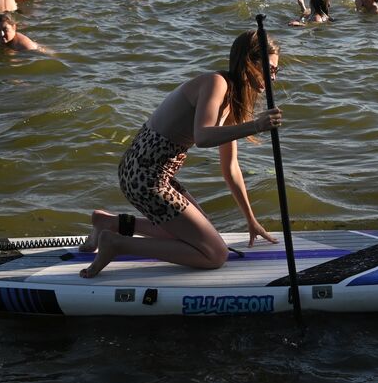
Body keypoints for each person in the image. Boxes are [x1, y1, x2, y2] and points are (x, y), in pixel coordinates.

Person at [78, 30, 283, 278]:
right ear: (249, 62)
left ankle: (109, 223)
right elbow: (203, 136)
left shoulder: (232, 101)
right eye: (270, 68)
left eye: (276, 71)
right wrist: (256, 126)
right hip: (145, 177)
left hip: (154, 174)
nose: (273, 77)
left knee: (201, 235)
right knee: (215, 254)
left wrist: (251, 219)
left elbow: (231, 168)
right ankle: (117, 243)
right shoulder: (216, 83)